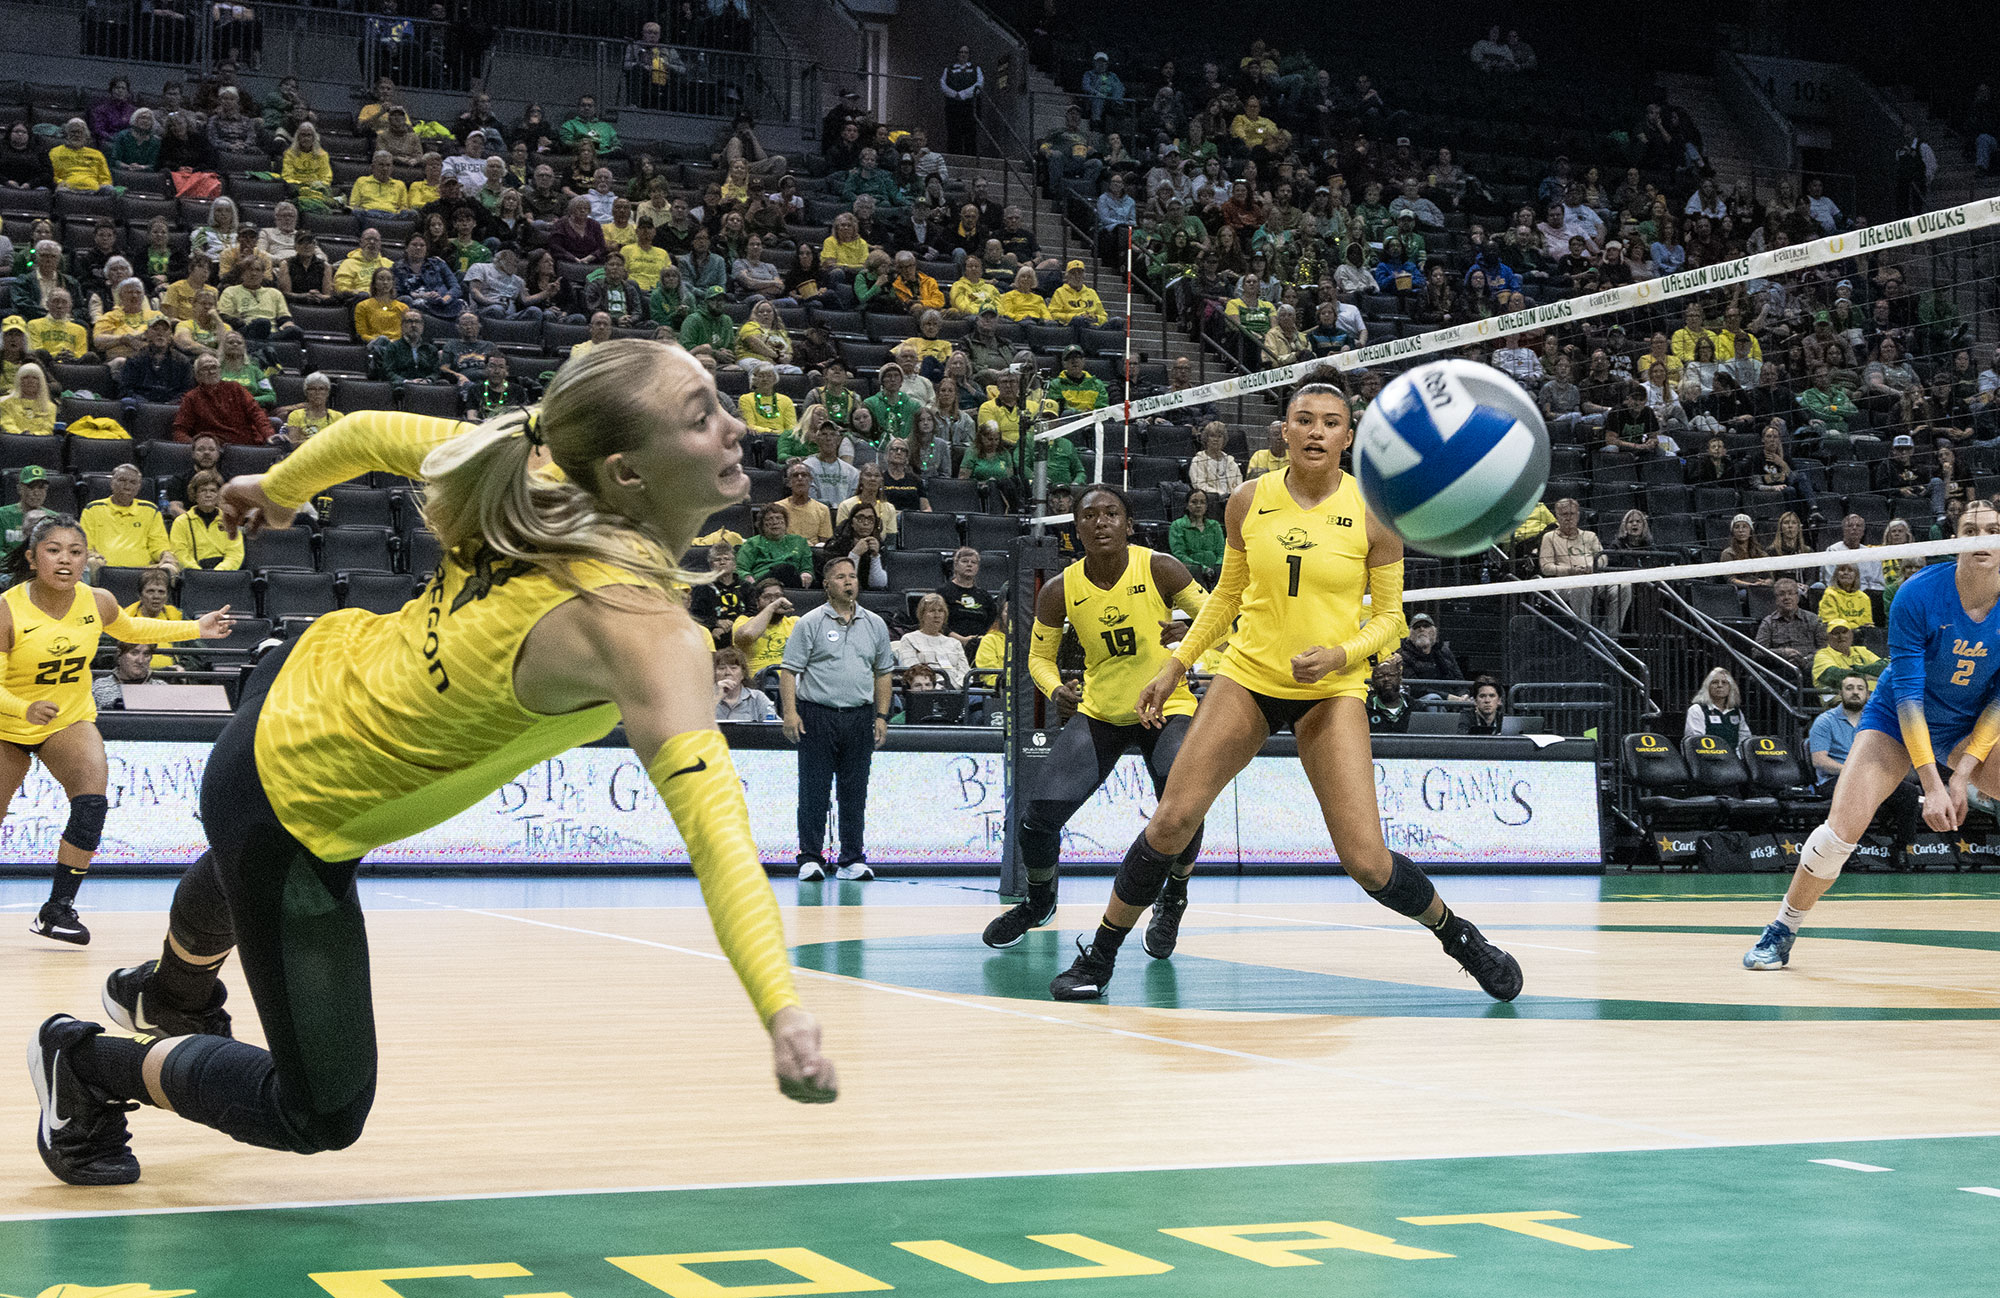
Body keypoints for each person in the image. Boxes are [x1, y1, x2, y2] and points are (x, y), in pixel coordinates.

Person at [36, 341, 837, 1190]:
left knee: (243, 859)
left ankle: (173, 992)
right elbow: (718, 836)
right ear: (627, 475)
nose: (737, 426)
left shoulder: (531, 463)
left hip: (299, 678)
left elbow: (371, 432)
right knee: (321, 1112)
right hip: (291, 809)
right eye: (701, 415)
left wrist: (278, 490)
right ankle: (88, 1065)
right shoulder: (640, 631)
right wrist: (780, 1005)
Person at [1052, 383, 1521, 1002]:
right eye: (1305, 420)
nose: (1317, 432)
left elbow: (1390, 621)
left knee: (1367, 862)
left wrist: (1340, 654)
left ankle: (1461, 938)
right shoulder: (1248, 501)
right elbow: (1226, 597)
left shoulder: (1376, 514)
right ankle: (1101, 956)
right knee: (1171, 820)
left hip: (1330, 689)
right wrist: (1176, 665)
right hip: (1249, 677)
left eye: (1331, 423)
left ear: (1348, 438)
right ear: (1286, 432)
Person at [1745, 501, 2000, 971]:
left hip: (1967, 721)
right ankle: (1782, 928)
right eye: (1971, 529)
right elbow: (1907, 696)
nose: (1982, 537)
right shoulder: (1916, 594)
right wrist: (1932, 784)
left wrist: (1962, 775)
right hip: (1897, 716)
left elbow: (1998, 703)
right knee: (1839, 834)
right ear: (1955, 538)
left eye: (1992, 529)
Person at [983, 483, 1210, 949]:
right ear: (1075, 528)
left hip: (1167, 706)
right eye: (1090, 515)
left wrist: (1190, 631)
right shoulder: (1060, 589)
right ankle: (1039, 901)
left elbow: (1221, 620)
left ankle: (1174, 899)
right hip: (1101, 711)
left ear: (1128, 524)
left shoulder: (1161, 567)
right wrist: (1055, 689)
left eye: (1111, 514)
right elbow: (1038, 660)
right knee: (1037, 818)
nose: (1101, 522)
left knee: (1181, 806)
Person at [10, 514, 229, 945]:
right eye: (54, 550)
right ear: (33, 558)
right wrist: (23, 706)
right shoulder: (7, 609)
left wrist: (195, 628)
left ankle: (57, 909)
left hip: (68, 718)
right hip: (7, 721)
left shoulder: (98, 600)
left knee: (92, 804)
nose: (66, 560)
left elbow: (132, 628)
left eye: (76, 551)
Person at [778, 554, 895, 882]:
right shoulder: (810, 622)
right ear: (827, 585)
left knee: (854, 790)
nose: (849, 582)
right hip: (817, 715)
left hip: (859, 716)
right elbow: (789, 672)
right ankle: (810, 858)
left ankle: (851, 859)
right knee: (813, 789)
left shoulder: (875, 624)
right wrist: (790, 713)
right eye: (841, 577)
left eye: (853, 576)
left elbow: (883, 673)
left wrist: (882, 716)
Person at [80, 464, 178, 577]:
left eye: (133, 482)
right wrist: (93, 556)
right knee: (90, 563)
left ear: (139, 487)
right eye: (122, 480)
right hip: (104, 568)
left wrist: (165, 555)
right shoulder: (93, 509)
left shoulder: (150, 510)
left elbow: (158, 545)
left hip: (144, 572)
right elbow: (86, 546)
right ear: (112, 483)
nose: (127, 486)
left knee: (169, 567)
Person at [1538, 498, 1604, 625]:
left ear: (1578, 515)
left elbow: (1603, 558)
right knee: (1581, 588)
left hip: (1593, 578)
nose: (1569, 518)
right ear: (1557, 516)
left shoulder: (1590, 536)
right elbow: (1546, 567)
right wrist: (1571, 570)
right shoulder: (1549, 537)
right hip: (1564, 584)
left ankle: (1611, 634)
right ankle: (1586, 632)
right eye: (1564, 514)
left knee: (1624, 587)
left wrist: (1591, 566)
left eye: (1572, 514)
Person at [167, 470, 244, 571]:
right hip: (193, 573)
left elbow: (235, 554)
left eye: (213, 491)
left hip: (225, 574)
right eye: (203, 490)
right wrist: (198, 573)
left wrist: (218, 572)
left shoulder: (230, 520)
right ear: (195, 494)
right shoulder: (181, 522)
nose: (208, 495)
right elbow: (180, 553)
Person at [1807, 674, 1871, 793]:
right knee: (1862, 789)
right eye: (1849, 688)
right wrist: (1851, 771)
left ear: (1867, 694)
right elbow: (1819, 760)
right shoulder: (1825, 721)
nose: (1855, 692)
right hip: (1834, 779)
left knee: (1908, 792)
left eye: (1860, 688)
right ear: (1840, 693)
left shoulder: (1873, 721)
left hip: (1868, 779)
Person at [896, 593, 973, 687]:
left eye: (941, 611)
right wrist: (936, 687)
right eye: (932, 611)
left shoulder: (954, 643)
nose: (937, 615)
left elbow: (965, 672)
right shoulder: (909, 639)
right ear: (922, 615)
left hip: (958, 691)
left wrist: (955, 688)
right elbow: (912, 673)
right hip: (926, 690)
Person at [935, 546, 997, 649]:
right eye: (964, 561)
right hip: (949, 644)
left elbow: (993, 623)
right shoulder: (943, 592)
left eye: (973, 562)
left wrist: (982, 639)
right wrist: (961, 640)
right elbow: (937, 622)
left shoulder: (984, 595)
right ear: (955, 565)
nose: (969, 565)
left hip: (981, 646)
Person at [1684, 667, 1753, 747]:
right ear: (1708, 687)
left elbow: (1744, 738)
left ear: (1730, 688)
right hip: (1708, 757)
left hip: (1734, 757)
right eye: (1715, 682)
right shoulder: (1697, 709)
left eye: (1724, 682)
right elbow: (1696, 741)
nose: (1720, 685)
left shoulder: (1736, 711)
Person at [1169, 486, 1224, 585]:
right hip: (1191, 572)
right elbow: (1179, 554)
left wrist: (1217, 568)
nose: (1198, 505)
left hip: (1216, 573)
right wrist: (1203, 569)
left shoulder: (1215, 525)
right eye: (1194, 502)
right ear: (1186, 505)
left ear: (1206, 506)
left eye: (1202, 502)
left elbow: (1221, 552)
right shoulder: (1177, 525)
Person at [940, 45, 984, 155]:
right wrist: (954, 94)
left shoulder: (975, 68)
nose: (963, 54)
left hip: (970, 106)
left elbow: (979, 84)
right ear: (957, 54)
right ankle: (954, 155)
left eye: (965, 52)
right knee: (953, 132)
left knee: (970, 132)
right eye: (961, 52)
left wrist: (963, 94)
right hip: (953, 105)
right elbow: (943, 84)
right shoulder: (949, 69)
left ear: (969, 55)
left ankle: (970, 156)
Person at [714, 646, 776, 723]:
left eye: (733, 668)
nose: (727, 673)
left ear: (743, 673)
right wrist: (716, 698)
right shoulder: (703, 698)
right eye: (722, 668)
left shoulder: (758, 698)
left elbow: (774, 728)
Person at [1365, 656, 1410, 732]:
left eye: (1391, 675)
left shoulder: (1415, 707)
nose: (1386, 679)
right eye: (1380, 676)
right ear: (1373, 683)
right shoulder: (1365, 709)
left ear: (1400, 679)